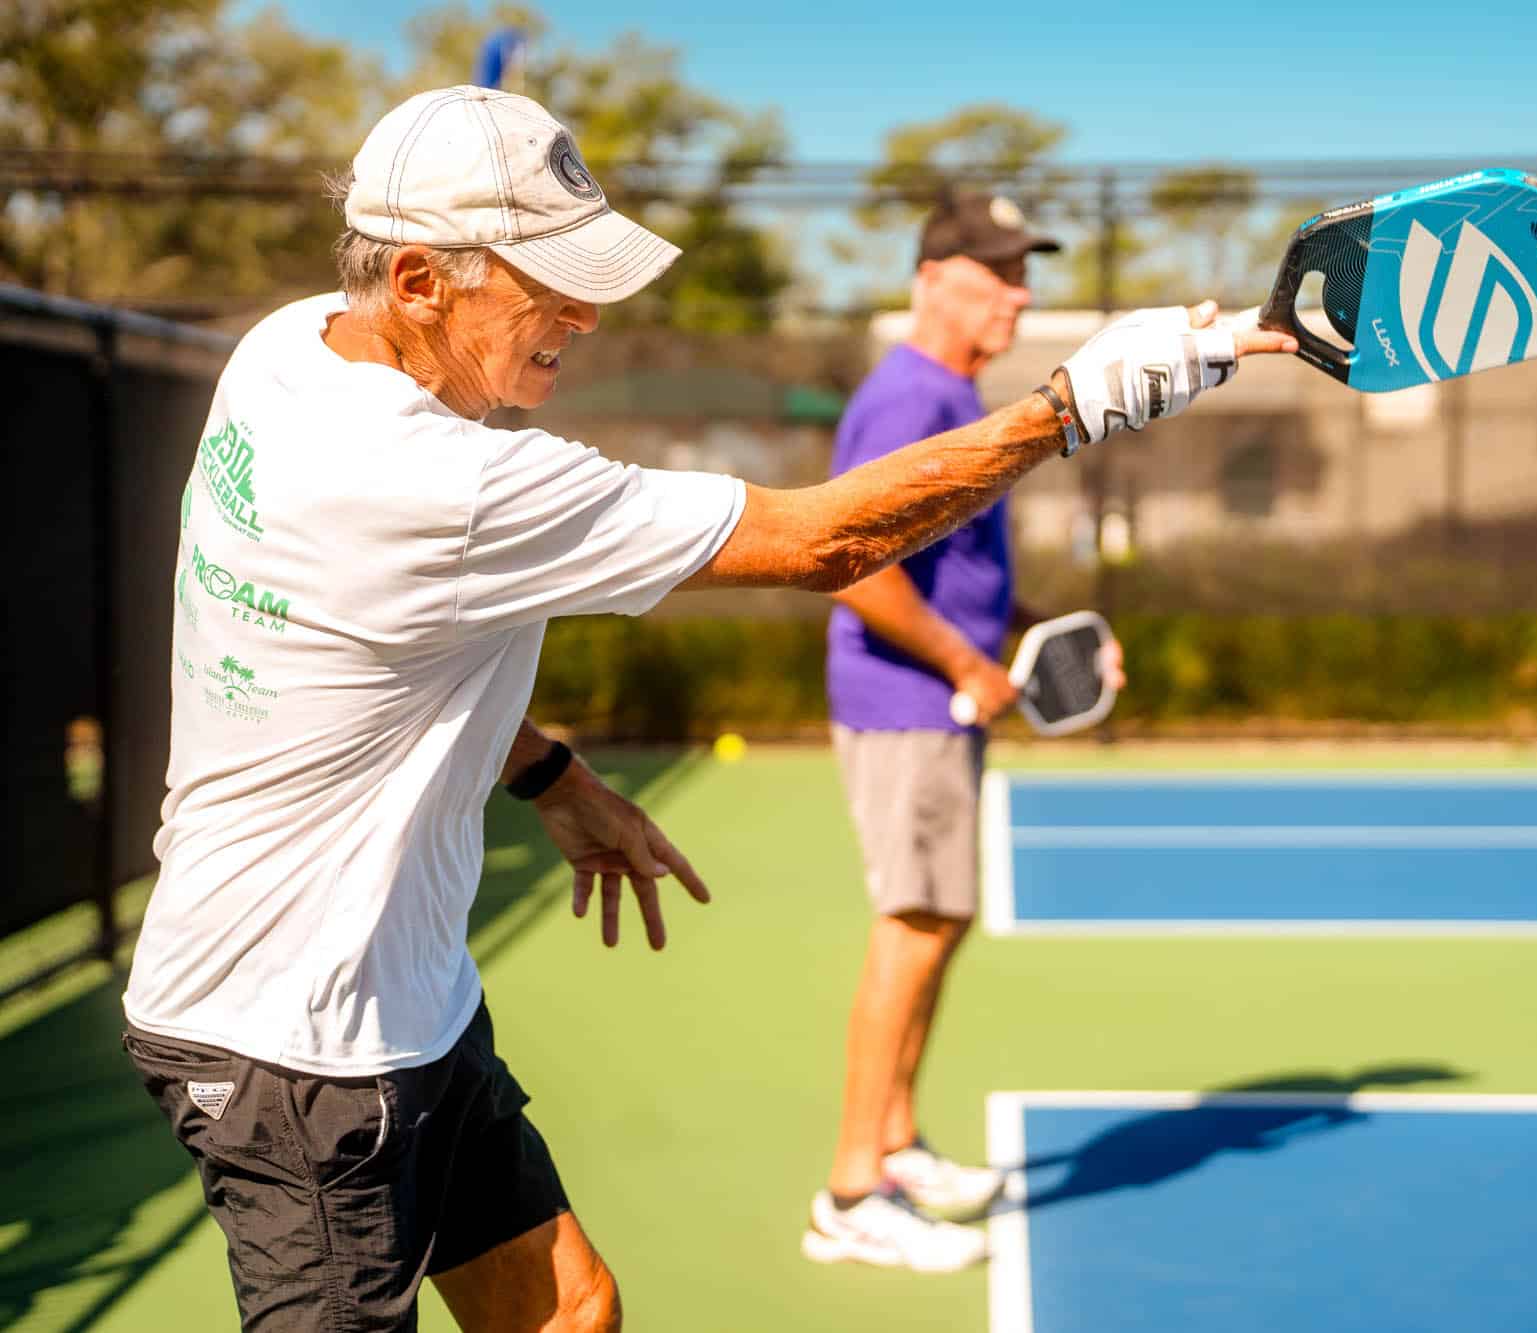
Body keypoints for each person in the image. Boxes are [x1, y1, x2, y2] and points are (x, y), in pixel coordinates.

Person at [120, 84, 1293, 1332]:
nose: (585, 313)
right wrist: (1075, 405)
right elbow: (825, 541)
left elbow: (359, 660)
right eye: (545, 280)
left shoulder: (289, 348)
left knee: (572, 1311)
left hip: (406, 1000)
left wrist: (552, 777)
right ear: (416, 281)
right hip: (290, 1046)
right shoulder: (435, 481)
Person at [801, 189, 1124, 1273]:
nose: (1019, 290)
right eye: (995, 269)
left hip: (938, 699)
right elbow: (852, 564)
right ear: (931, 278)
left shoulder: (950, 392)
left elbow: (959, 573)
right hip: (909, 704)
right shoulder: (908, 399)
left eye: (1022, 267)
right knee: (912, 926)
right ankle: (850, 1187)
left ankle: (893, 1143)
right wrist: (966, 665)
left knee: (937, 922)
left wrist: (1040, 636)